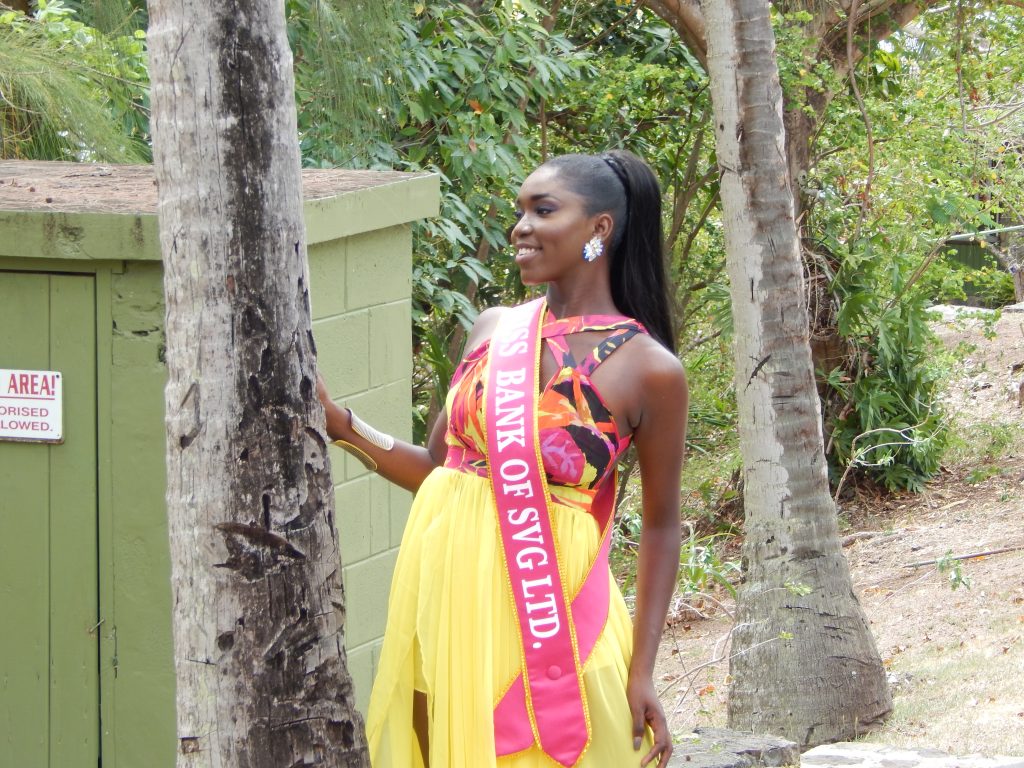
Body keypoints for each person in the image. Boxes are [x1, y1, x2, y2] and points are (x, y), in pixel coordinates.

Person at [318, 149, 688, 768]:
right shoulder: (494, 329)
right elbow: (439, 469)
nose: (520, 227)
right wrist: (342, 426)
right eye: (520, 211)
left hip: (553, 612)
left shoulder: (650, 369)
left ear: (599, 228)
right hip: (450, 603)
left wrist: (643, 669)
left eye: (543, 210)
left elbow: (661, 525)